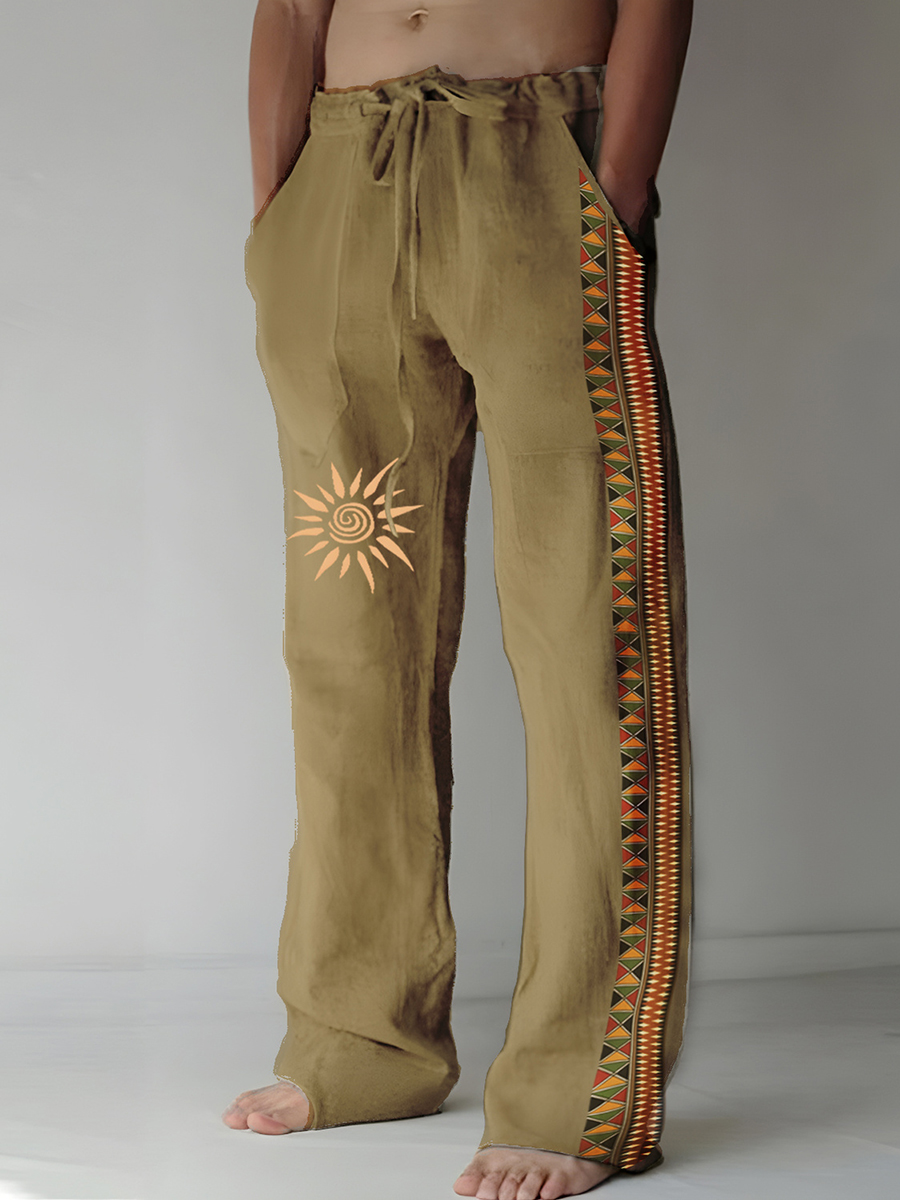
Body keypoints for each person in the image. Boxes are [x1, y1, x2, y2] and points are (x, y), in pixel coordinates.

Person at [223, 2, 694, 1197]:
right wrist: (279, 205)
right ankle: (360, 1035)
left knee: (588, 643)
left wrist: (616, 185)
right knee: (349, 651)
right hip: (344, 179)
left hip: (540, 166)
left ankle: (576, 1090)